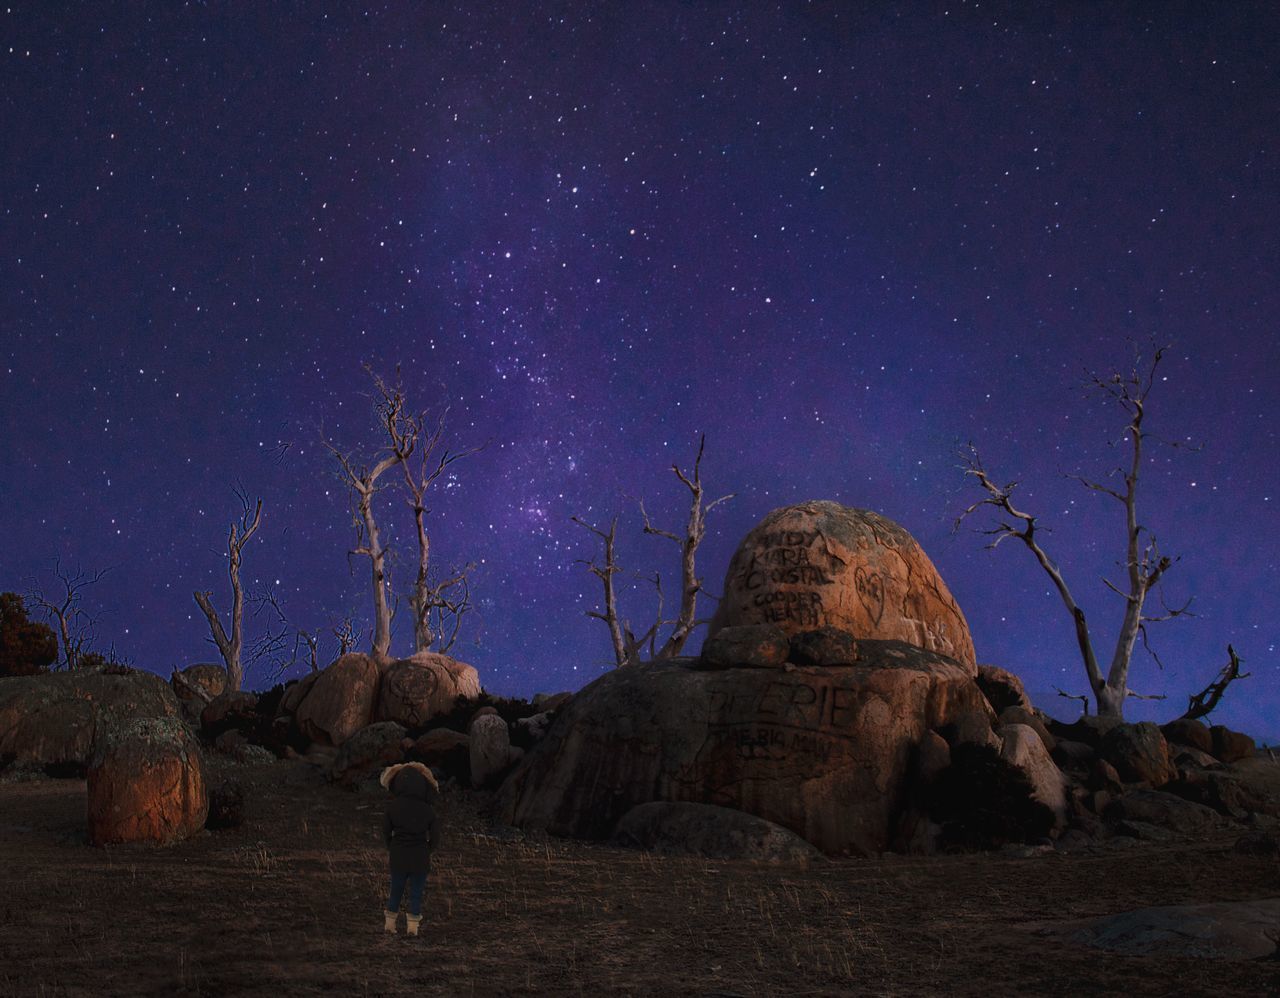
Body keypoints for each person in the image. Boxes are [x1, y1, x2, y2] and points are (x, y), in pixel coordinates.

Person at [379, 761, 441, 936]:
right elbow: (435, 836)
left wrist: (391, 845)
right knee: (416, 893)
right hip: (420, 856)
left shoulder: (393, 807)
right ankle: (412, 928)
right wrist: (428, 849)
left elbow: (385, 830)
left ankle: (390, 925)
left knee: (396, 891)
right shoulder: (428, 810)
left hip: (398, 855)